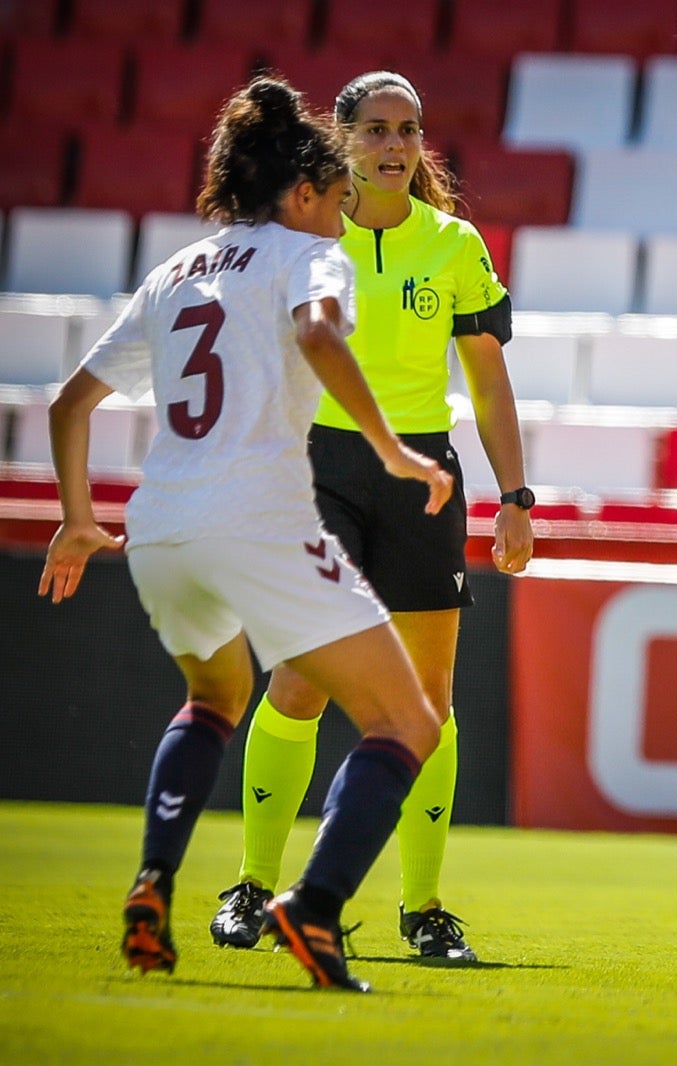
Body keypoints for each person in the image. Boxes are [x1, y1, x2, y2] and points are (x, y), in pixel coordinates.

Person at [38, 76, 456, 992]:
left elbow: (68, 404)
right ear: (302, 192)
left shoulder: (176, 270)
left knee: (215, 697)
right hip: (258, 518)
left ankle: (153, 884)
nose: (345, 217)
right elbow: (320, 337)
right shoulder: (311, 256)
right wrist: (392, 449)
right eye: (338, 199)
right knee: (407, 722)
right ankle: (314, 907)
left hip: (161, 528)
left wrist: (76, 520)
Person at [208, 70, 534, 963]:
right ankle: (251, 887)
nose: (396, 145)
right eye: (378, 130)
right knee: (302, 682)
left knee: (428, 702)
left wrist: (514, 497)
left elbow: (488, 382)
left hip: (424, 478)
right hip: (320, 469)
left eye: (409, 129)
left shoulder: (455, 244)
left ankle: (423, 909)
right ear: (343, 139)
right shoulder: (300, 232)